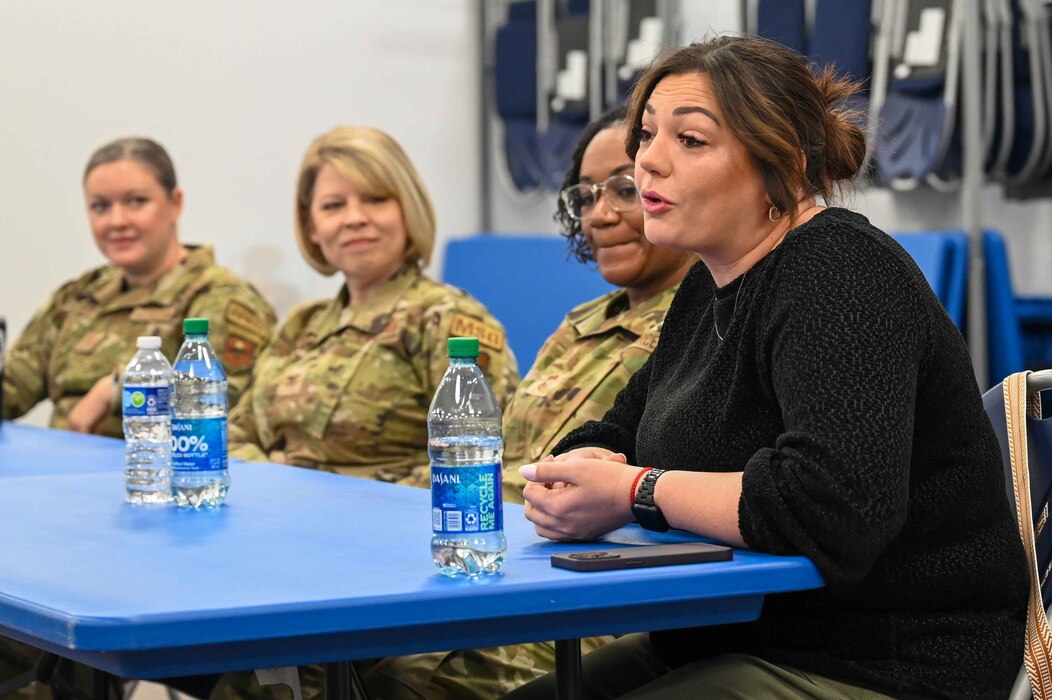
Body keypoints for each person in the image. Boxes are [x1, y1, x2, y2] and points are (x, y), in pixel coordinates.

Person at [510, 36, 1029, 700]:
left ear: (777, 163)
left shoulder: (839, 271)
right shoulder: (707, 288)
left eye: (691, 141)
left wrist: (637, 490)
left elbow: (833, 510)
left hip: (884, 663)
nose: (648, 164)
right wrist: (585, 473)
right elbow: (612, 432)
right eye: (645, 136)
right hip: (732, 633)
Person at [359, 108, 694, 700]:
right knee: (316, 661)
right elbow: (502, 456)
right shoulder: (580, 325)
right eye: (586, 196)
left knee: (396, 677)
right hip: (499, 564)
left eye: (624, 188)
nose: (601, 214)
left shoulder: (705, 325)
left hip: (594, 598)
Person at [226, 125, 518, 484]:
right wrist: (275, 487)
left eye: (375, 199)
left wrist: (353, 504)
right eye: (333, 206)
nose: (354, 218)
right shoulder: (303, 324)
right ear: (312, 227)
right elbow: (236, 433)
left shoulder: (445, 319)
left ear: (407, 209)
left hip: (393, 526)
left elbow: (492, 460)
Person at [1, 137, 276, 439]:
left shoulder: (220, 299)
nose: (117, 221)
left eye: (136, 202)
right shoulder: (79, 296)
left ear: (175, 203)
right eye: (100, 206)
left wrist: (120, 389)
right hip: (62, 474)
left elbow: (224, 402)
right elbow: (13, 389)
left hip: (152, 474)